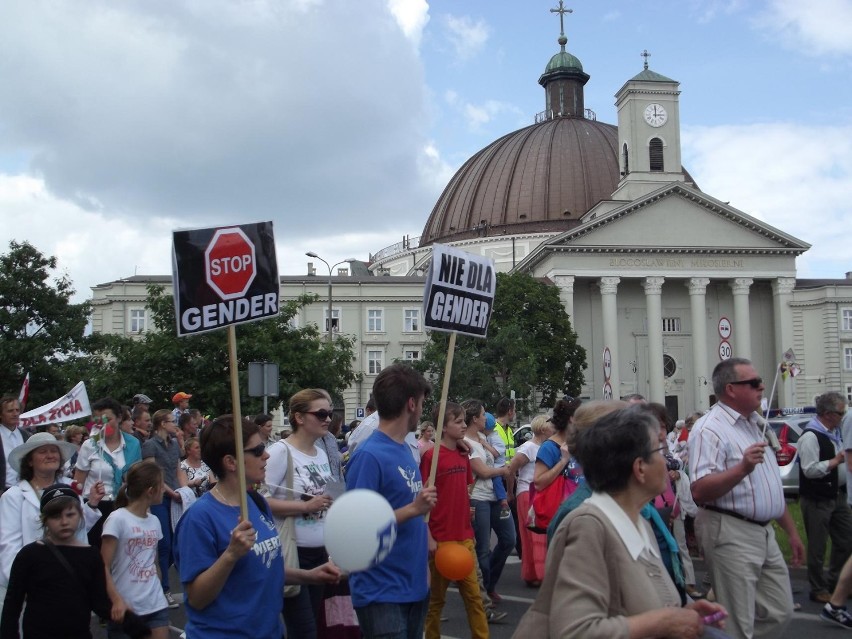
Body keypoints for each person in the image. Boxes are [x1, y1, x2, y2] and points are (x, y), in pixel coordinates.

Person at [514, 406, 728, 638]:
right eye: (659, 450)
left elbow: (640, 599)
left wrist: (682, 612)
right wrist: (663, 621)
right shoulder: (589, 525)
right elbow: (575, 631)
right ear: (639, 468)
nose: (668, 461)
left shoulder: (636, 517)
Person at [173, 415, 339, 639]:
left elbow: (265, 567)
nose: (267, 454)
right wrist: (230, 555)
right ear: (231, 462)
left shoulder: (256, 502)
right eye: (258, 449)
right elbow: (196, 597)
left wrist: (310, 576)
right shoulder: (199, 518)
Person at [690, 357, 805, 639]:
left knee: (780, 611)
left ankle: (711, 634)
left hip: (762, 531)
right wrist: (742, 468)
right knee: (737, 622)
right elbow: (699, 490)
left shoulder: (756, 424)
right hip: (730, 529)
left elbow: (769, 487)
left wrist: (791, 531)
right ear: (731, 389)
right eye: (754, 383)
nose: (762, 387)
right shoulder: (709, 429)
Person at [345, 364, 437, 639]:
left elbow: (408, 511)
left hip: (413, 585)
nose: (421, 411)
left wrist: (425, 536)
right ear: (411, 403)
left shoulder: (404, 450)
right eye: (421, 403)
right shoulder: (369, 456)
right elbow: (354, 527)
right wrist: (414, 509)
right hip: (381, 591)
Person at [0, 484, 150, 639]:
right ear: (44, 519)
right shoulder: (29, 555)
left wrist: (131, 622)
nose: (64, 522)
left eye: (70, 514)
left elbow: (98, 602)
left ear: (80, 515)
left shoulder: (90, 555)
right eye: (56, 516)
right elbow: (12, 604)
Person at [0, 432, 104, 617]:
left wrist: (91, 505)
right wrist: (21, 585)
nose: (50, 455)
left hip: (69, 582)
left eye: (54, 451)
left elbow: (76, 531)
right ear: (29, 461)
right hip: (33, 588)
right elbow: (9, 546)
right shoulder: (14, 497)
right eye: (43, 452)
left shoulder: (70, 488)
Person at [265, 389, 337, 639]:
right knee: (304, 630)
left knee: (312, 626)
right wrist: (304, 507)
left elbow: (326, 498)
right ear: (299, 417)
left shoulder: (321, 452)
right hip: (292, 553)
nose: (328, 418)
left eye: (330, 412)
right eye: (321, 413)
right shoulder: (280, 452)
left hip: (320, 551)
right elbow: (259, 500)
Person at [420, 402, 488, 639]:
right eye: (458, 422)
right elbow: (423, 497)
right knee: (436, 602)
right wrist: (428, 535)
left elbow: (467, 487)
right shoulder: (431, 456)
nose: (463, 426)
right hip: (440, 540)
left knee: (474, 598)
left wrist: (468, 520)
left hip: (464, 538)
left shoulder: (463, 452)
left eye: (463, 421)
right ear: (443, 426)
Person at [101, 460, 170, 639]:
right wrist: (116, 600)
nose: (164, 489)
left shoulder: (154, 520)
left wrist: (159, 590)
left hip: (155, 604)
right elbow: (103, 566)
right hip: (126, 608)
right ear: (150, 491)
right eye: (161, 485)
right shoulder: (117, 519)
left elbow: (153, 562)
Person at [797, 391, 852, 603]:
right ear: (828, 414)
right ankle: (818, 587)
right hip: (817, 498)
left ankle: (836, 581)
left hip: (837, 495)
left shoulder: (835, 433)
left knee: (846, 539)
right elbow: (809, 470)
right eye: (841, 413)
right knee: (818, 546)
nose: (843, 416)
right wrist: (835, 461)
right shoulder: (811, 436)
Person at [74, 397, 143, 548]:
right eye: (98, 420)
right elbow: (78, 483)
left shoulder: (133, 444)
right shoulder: (90, 445)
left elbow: (136, 479)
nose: (102, 424)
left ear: (119, 418)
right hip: (95, 507)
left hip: (122, 506)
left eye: (107, 419)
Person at [462, 399, 513, 603]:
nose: (486, 418)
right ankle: (482, 594)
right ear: (475, 419)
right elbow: (482, 472)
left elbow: (496, 456)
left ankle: (488, 583)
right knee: (482, 547)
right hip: (478, 499)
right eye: (483, 415)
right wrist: (503, 470)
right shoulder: (467, 443)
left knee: (509, 539)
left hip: (493, 495)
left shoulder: (483, 437)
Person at [141, 409, 187, 608]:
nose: (174, 423)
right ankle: (164, 588)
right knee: (164, 543)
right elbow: (153, 474)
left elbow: (178, 470)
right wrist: (171, 492)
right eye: (171, 421)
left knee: (177, 541)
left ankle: (165, 581)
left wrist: (184, 491)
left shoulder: (174, 444)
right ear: (161, 424)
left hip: (176, 496)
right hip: (160, 498)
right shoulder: (150, 445)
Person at [506, 414, 553, 587]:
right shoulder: (528, 448)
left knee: (540, 533)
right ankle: (536, 574)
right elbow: (511, 469)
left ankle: (539, 573)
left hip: (539, 493)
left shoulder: (546, 447)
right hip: (527, 492)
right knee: (532, 534)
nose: (553, 427)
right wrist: (510, 492)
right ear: (542, 428)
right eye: (550, 424)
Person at [0, 395, 30, 493]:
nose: (15, 413)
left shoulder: (26, 435)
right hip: (3, 491)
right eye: (10, 411)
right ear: (1, 414)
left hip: (25, 489)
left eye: (17, 410)